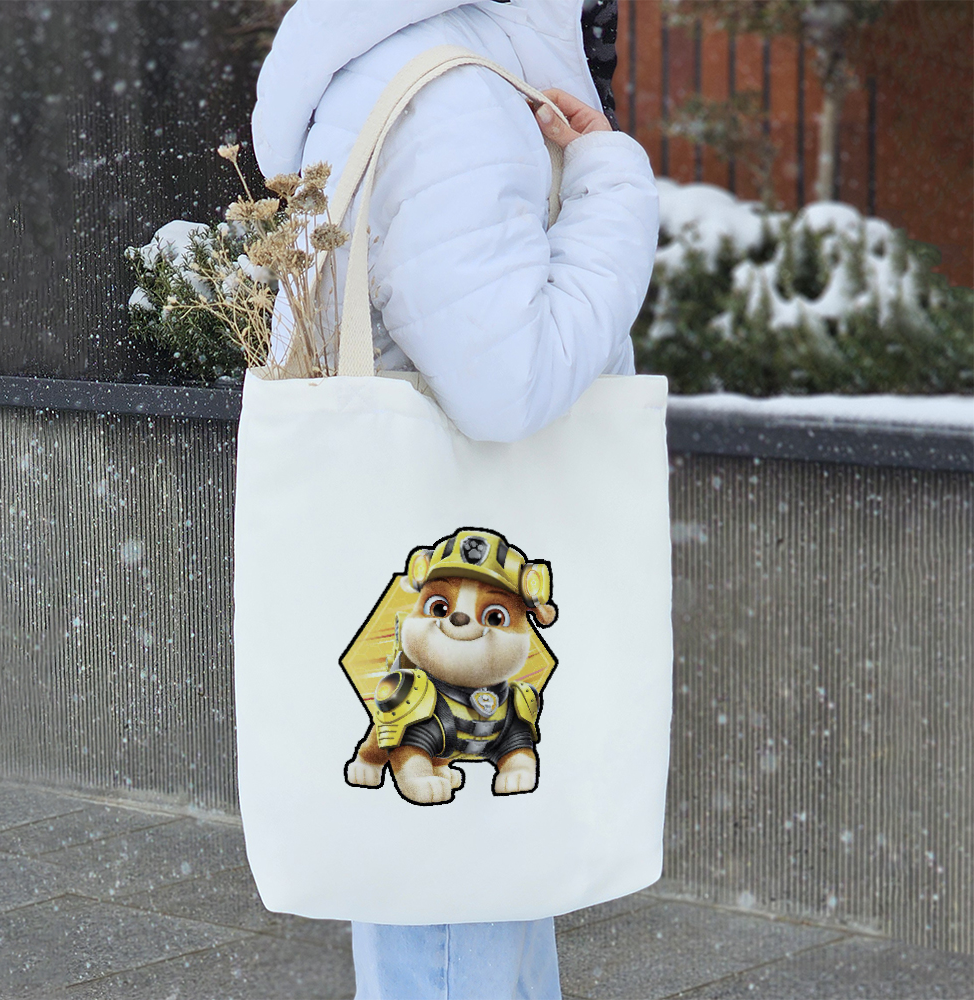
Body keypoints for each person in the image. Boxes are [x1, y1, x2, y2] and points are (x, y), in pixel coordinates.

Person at [251, 1, 658, 996]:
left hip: (426, 536)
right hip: (465, 530)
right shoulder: (454, 94)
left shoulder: (408, 60)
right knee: (456, 917)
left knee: (464, 894)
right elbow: (506, 385)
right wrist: (611, 184)